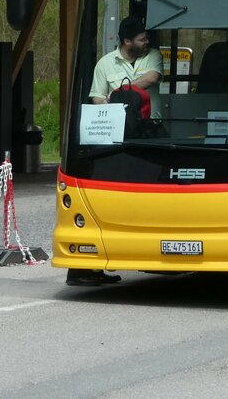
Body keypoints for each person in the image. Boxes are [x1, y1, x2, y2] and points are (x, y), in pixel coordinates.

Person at [69, 15, 163, 287]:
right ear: (126, 41)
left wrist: (122, 94)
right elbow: (96, 96)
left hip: (151, 132)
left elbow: (152, 78)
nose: (148, 41)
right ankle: (93, 263)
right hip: (118, 136)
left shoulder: (153, 56)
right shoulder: (104, 64)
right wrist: (110, 101)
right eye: (143, 38)